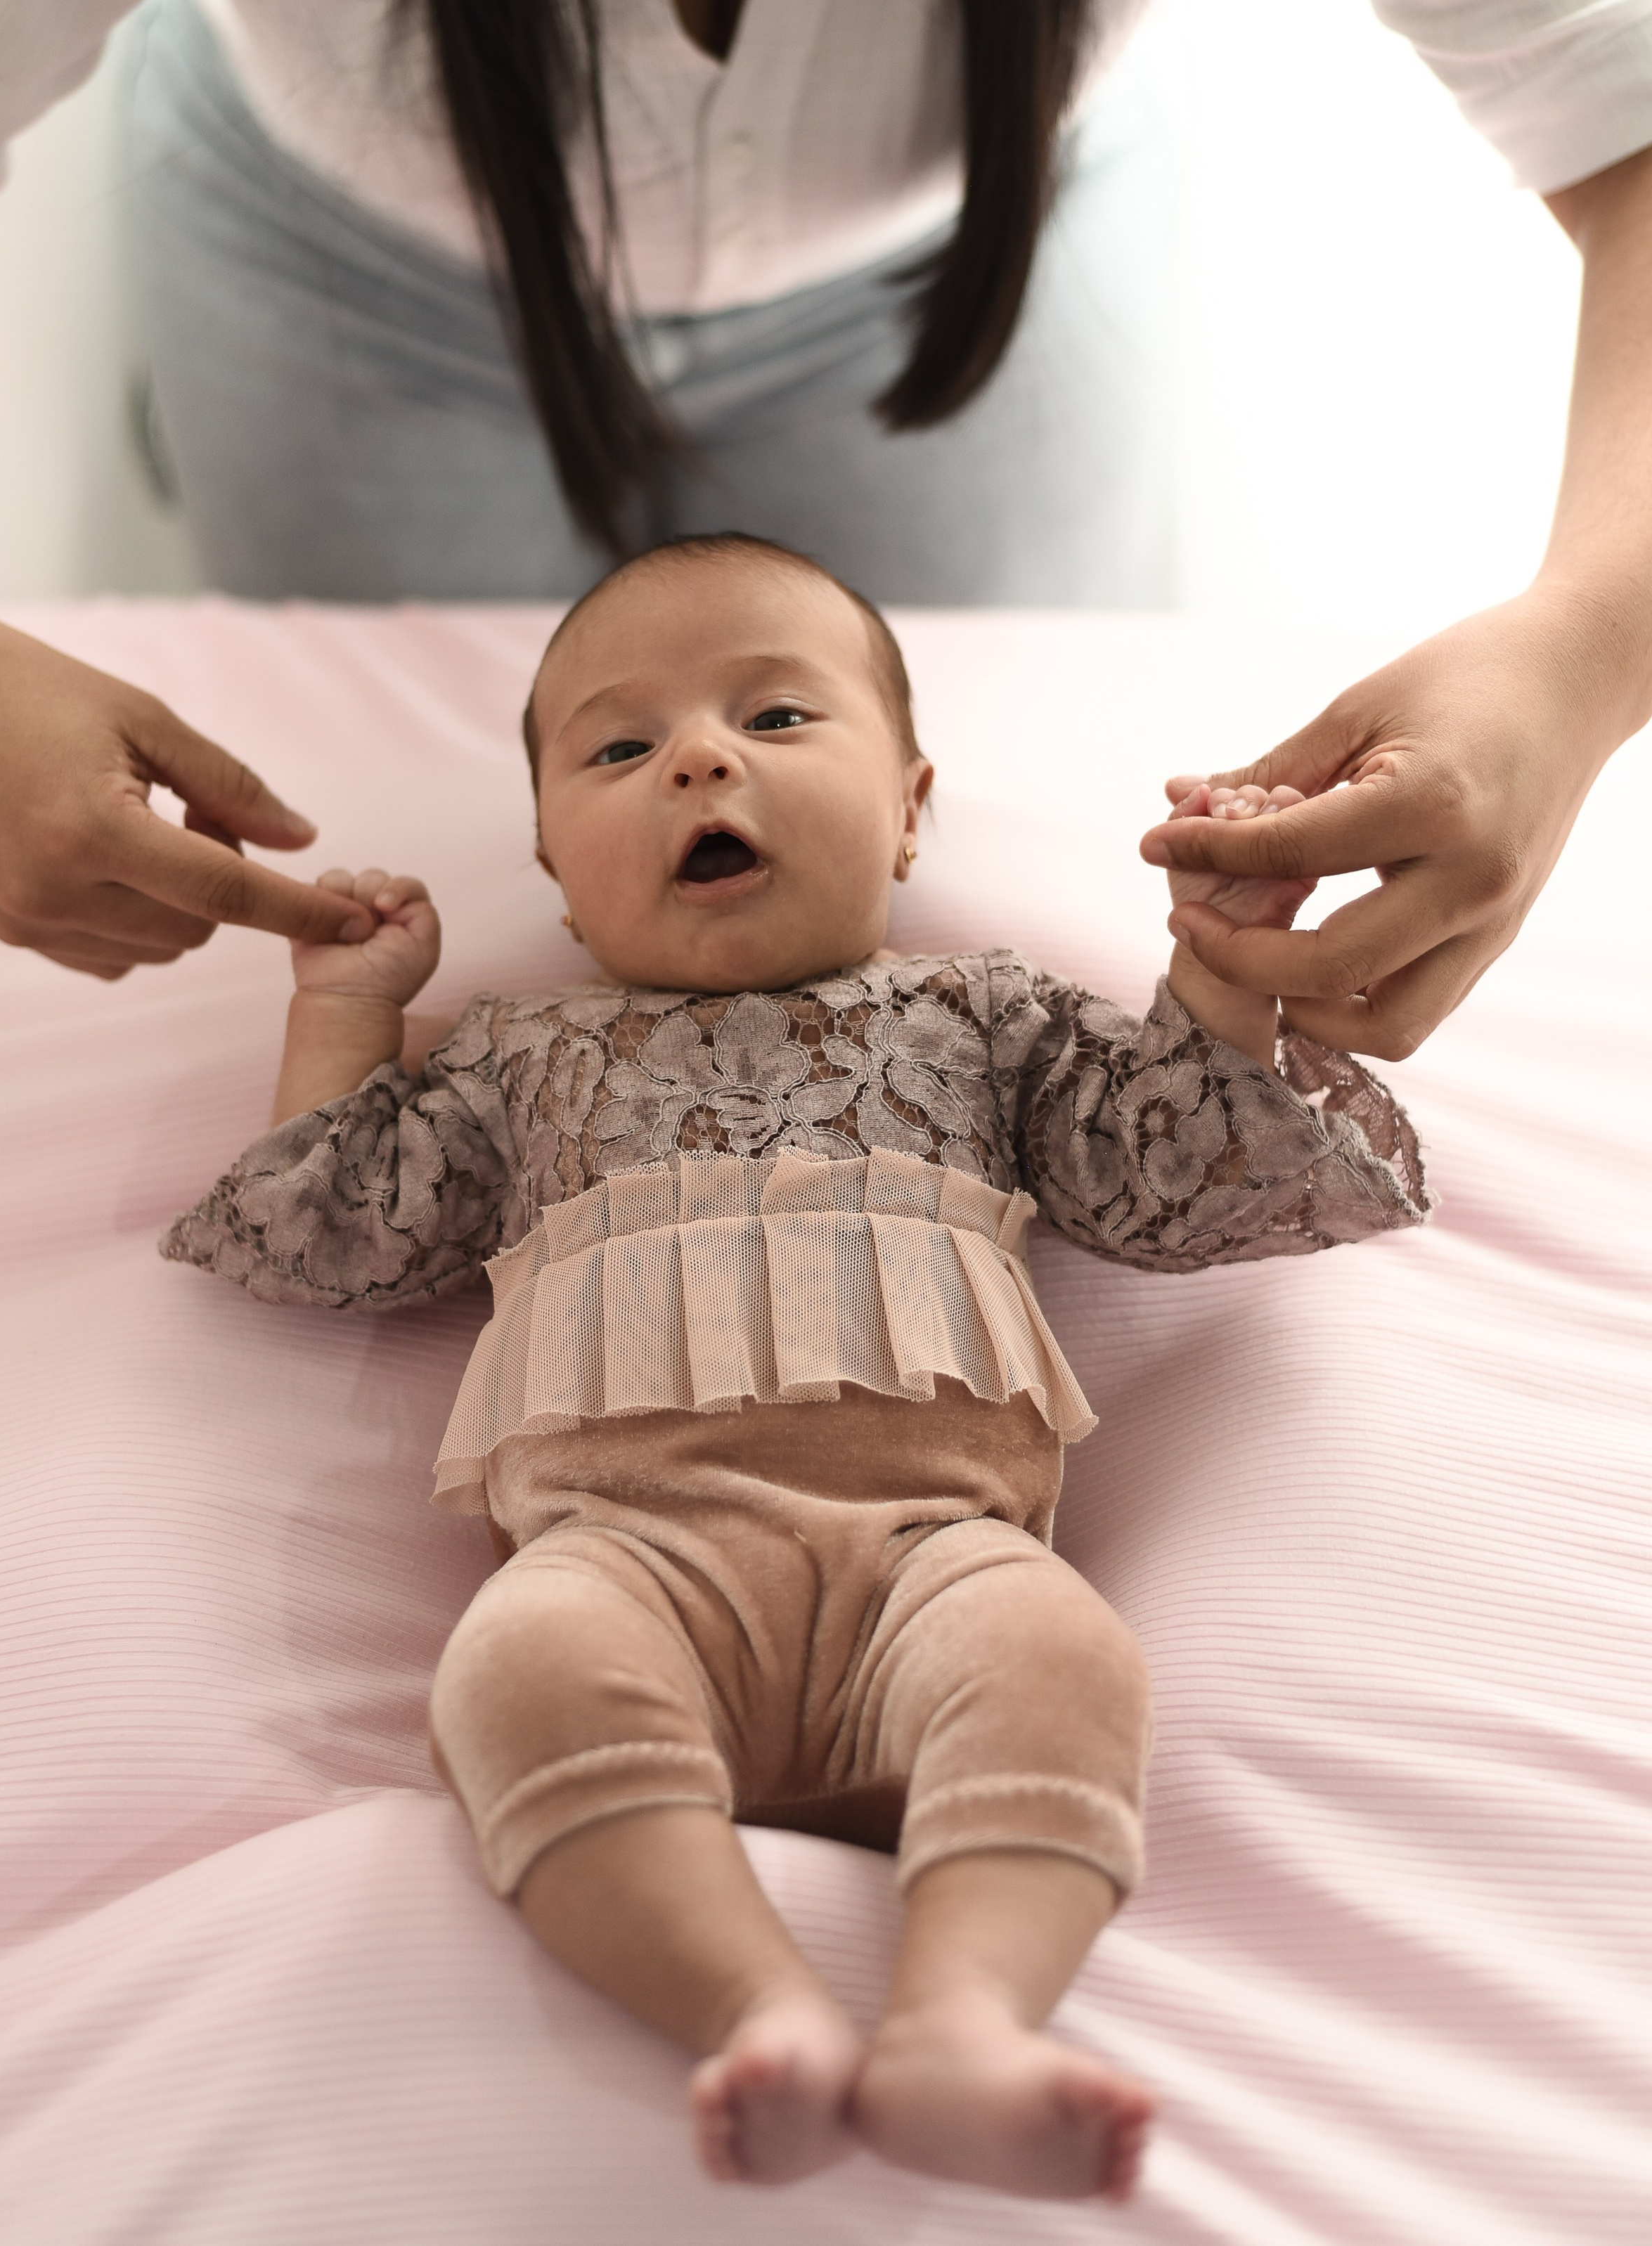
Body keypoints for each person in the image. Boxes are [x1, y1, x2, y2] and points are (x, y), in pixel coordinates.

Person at [0, 0, 1649, 1040]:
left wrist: (1580, 653)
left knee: (979, 859)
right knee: (414, 825)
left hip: (974, 272)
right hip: (347, 291)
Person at [162, 533, 1429, 2196]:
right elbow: (326, 1231)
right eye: (619, 750)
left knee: (1072, 1664)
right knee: (509, 1673)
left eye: (773, 715)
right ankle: (756, 2006)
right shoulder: (513, 1058)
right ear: (553, 867)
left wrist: (1218, 961)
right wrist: (343, 1006)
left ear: (908, 809)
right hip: (624, 1560)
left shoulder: (979, 1016)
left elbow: (1171, 1177)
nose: (697, 756)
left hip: (940, 1556)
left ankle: (964, 2018)